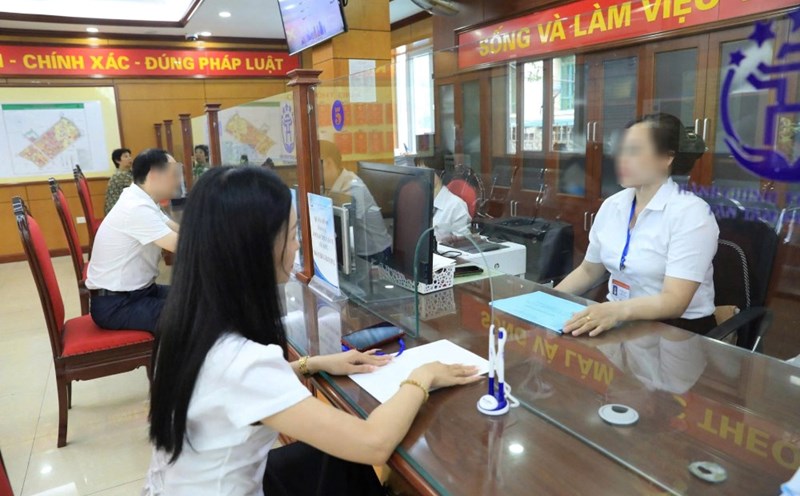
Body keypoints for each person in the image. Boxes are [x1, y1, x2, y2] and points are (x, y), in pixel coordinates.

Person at [144, 166, 480, 495]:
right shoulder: (240, 362)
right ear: (254, 249)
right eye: (291, 236)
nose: (296, 247)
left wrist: (312, 364)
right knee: (355, 454)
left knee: (338, 460)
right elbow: (373, 443)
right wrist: (422, 377)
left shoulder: (188, 323)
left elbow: (227, 388)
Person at [555, 113, 719, 336]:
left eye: (634, 151)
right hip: (617, 320)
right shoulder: (613, 205)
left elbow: (676, 301)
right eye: (621, 150)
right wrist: (545, 299)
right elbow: (588, 270)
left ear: (666, 158)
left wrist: (616, 311)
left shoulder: (691, 213)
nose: (622, 159)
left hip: (676, 332)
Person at [86, 148, 181, 335]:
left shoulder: (142, 199)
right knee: (196, 315)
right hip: (117, 305)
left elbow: (175, 228)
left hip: (139, 292)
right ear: (154, 175)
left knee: (199, 298)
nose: (178, 181)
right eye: (174, 175)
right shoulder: (136, 208)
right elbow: (182, 245)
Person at [319, 140, 392, 262]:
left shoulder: (352, 186)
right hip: (355, 253)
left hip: (375, 255)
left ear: (329, 163)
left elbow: (338, 228)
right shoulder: (330, 184)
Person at [414, 158, 471, 242]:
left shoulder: (456, 205)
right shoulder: (418, 200)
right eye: (418, 172)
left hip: (444, 254)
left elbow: (464, 244)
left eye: (425, 172)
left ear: (440, 174)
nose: (420, 177)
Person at [104, 147, 133, 215]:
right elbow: (141, 187)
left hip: (125, 208)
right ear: (117, 160)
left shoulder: (129, 173)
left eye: (129, 156)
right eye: (126, 156)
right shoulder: (119, 175)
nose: (130, 158)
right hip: (117, 213)